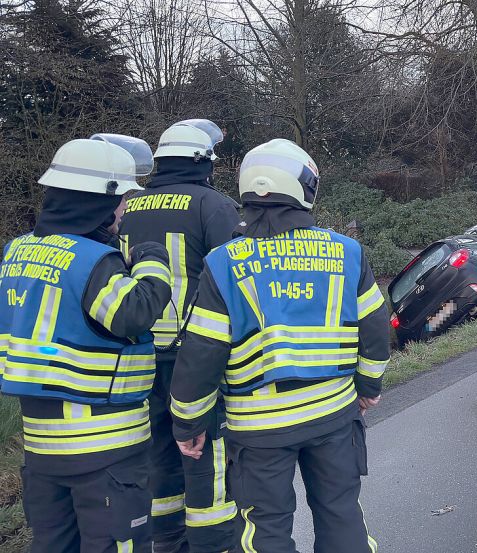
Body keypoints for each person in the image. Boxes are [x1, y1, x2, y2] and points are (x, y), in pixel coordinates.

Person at [168, 139, 390, 553]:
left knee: (264, 529)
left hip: (259, 429)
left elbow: (201, 353)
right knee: (341, 513)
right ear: (304, 188)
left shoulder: (223, 263)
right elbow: (375, 326)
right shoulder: (347, 253)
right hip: (333, 416)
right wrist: (369, 387)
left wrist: (188, 422)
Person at [0, 135, 172, 553]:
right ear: (102, 200)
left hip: (41, 446)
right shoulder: (93, 262)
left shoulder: (16, 251)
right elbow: (134, 311)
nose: (125, 208)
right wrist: (151, 258)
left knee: (54, 544)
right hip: (105, 448)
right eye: (123, 199)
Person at [118, 120, 240, 553]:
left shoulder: (127, 207)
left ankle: (166, 540)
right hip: (195, 357)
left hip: (137, 357)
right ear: (203, 162)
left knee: (160, 456)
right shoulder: (214, 205)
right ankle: (215, 542)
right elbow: (234, 281)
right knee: (207, 454)